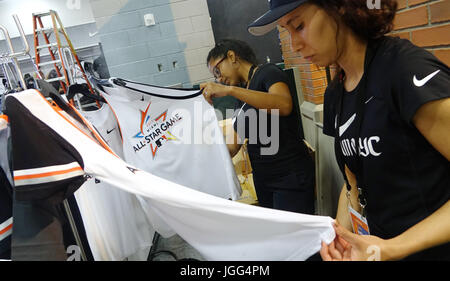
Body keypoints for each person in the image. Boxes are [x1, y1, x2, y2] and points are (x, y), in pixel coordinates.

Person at [248, 0, 450, 261]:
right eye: (287, 31)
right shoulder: (336, 92)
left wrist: (393, 247)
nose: (294, 45)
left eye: (299, 25)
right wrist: (340, 237)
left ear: (340, 7)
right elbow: (351, 183)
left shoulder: (406, 70)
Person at [200, 39, 315, 215]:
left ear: (231, 56)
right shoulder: (242, 96)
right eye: (215, 76)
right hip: (264, 179)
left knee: (291, 238)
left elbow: (283, 104)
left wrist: (230, 91)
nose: (219, 79)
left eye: (218, 70)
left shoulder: (268, 73)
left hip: (289, 177)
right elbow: (232, 146)